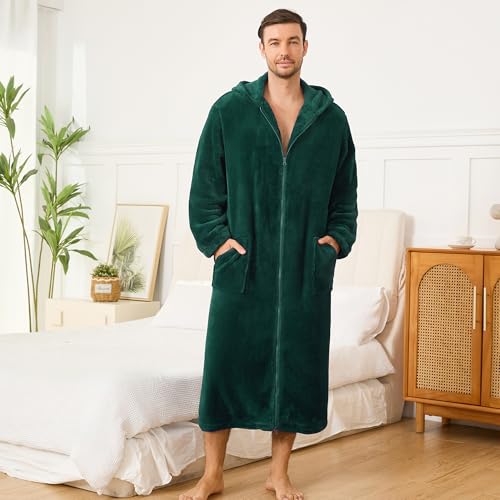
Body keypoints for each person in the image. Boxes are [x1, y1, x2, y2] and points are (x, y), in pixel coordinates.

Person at [184, 8, 358, 500]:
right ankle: (212, 474)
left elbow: (345, 197)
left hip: (304, 272)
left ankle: (279, 473)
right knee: (222, 369)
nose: (285, 51)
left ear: (305, 47)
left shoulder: (331, 120)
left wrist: (334, 242)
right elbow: (204, 192)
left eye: (293, 41)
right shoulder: (229, 111)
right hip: (242, 270)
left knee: (295, 369)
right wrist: (220, 243)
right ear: (261, 49)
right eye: (275, 42)